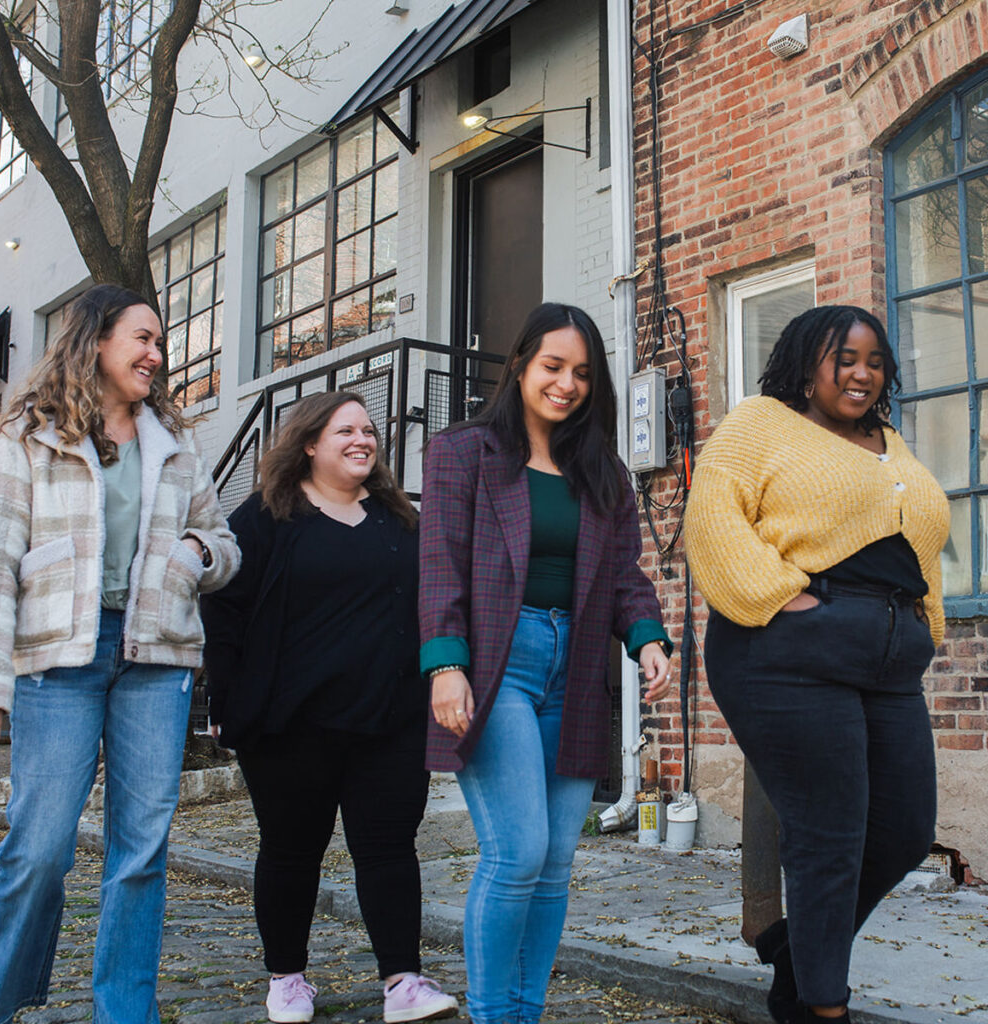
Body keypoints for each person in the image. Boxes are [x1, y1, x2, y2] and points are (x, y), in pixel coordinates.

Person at [0, 284, 240, 1024]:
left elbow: (225, 543)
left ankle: (126, 1011)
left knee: (142, 852)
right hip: (58, 664)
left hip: (156, 660)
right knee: (41, 845)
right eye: (142, 339)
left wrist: (194, 552)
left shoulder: (175, 442)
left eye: (159, 342)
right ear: (95, 341)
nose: (158, 354)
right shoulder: (26, 436)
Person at [684, 306, 950, 1024]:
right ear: (808, 365)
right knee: (829, 837)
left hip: (890, 661)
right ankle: (821, 1007)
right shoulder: (761, 423)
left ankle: (800, 960)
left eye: (874, 360)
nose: (862, 373)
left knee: (901, 830)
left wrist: (925, 623)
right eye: (845, 358)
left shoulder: (889, 442)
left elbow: (918, 538)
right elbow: (711, 512)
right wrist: (785, 599)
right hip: (789, 652)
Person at [419, 302, 672, 1024]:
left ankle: (523, 1014)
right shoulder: (463, 452)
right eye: (553, 367)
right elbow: (438, 565)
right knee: (519, 851)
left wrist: (647, 637)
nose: (566, 384)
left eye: (583, 373)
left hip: (580, 667)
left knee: (558, 861)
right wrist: (445, 665)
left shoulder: (603, 471)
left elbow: (626, 573)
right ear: (522, 365)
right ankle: (492, 1014)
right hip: (501, 664)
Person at [201, 392, 458, 1024]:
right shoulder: (264, 518)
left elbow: (435, 605)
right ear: (309, 443)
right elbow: (224, 610)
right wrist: (225, 698)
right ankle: (287, 977)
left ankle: (403, 981)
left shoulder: (403, 521)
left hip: (389, 720)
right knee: (290, 850)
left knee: (390, 848)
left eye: (369, 430)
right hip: (289, 724)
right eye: (345, 429)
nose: (362, 439)